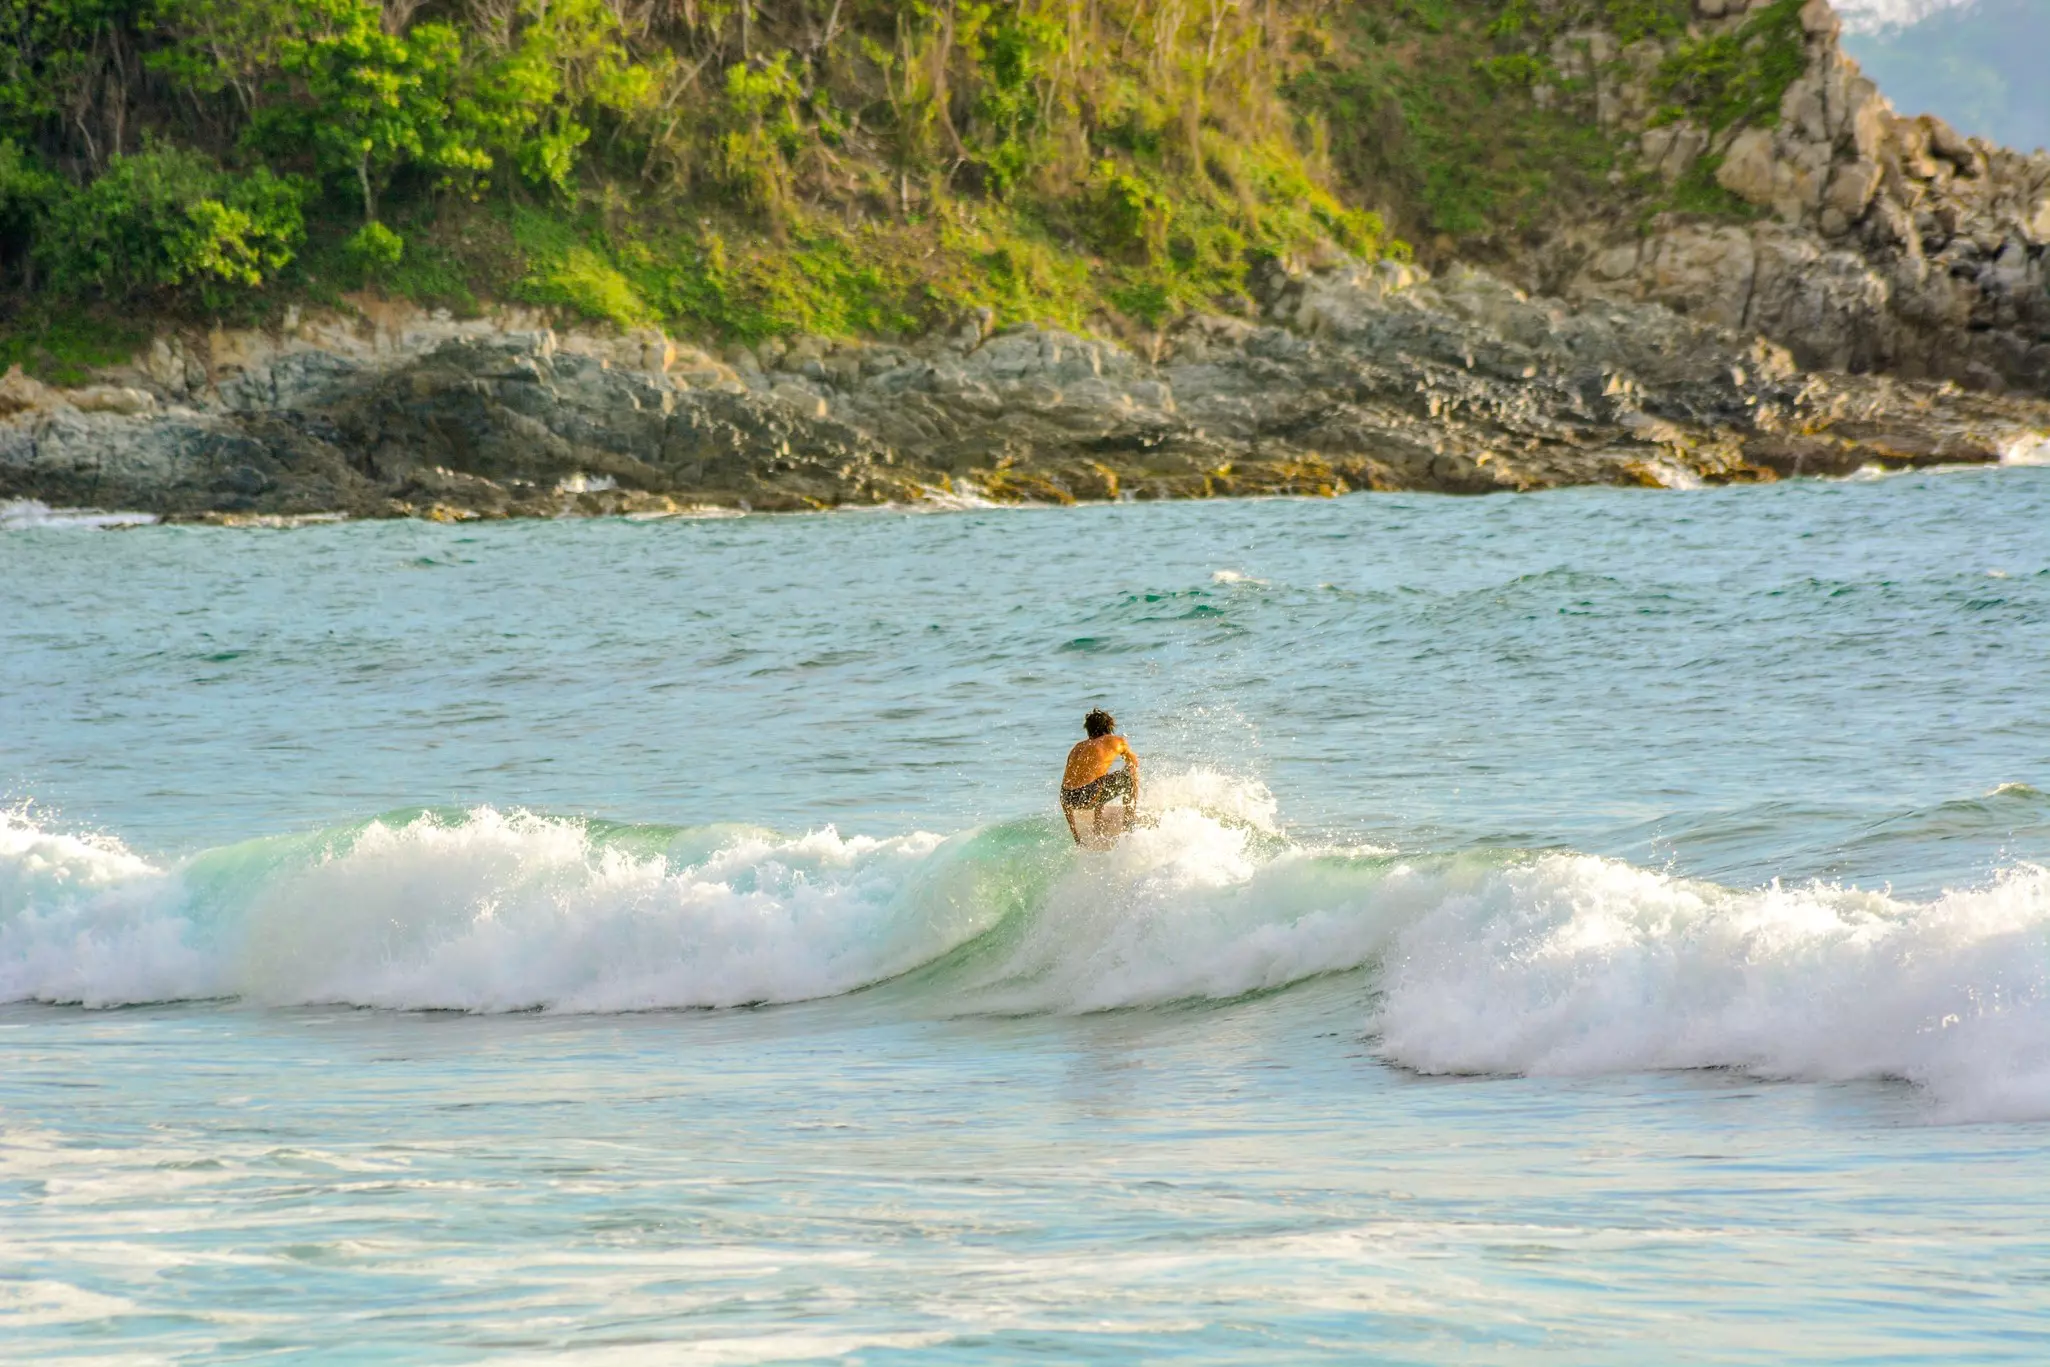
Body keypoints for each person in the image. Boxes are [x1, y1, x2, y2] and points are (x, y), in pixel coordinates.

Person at [1060, 709, 1140, 846]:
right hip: (1089, 794)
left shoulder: (1077, 747)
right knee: (1129, 774)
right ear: (1109, 726)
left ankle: (1098, 824)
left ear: (1088, 730)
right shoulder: (1117, 741)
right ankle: (1129, 823)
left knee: (1100, 778)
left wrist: (1076, 837)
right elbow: (1134, 763)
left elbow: (1065, 791)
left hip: (1068, 798)